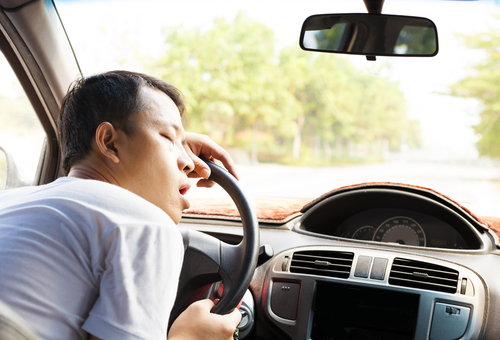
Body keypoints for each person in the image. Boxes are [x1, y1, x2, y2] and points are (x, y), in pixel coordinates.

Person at [0, 70, 242, 340]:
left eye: (183, 145)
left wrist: (168, 142)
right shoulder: (145, 224)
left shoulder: (8, 200)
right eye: (167, 137)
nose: (187, 162)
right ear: (109, 142)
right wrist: (191, 337)